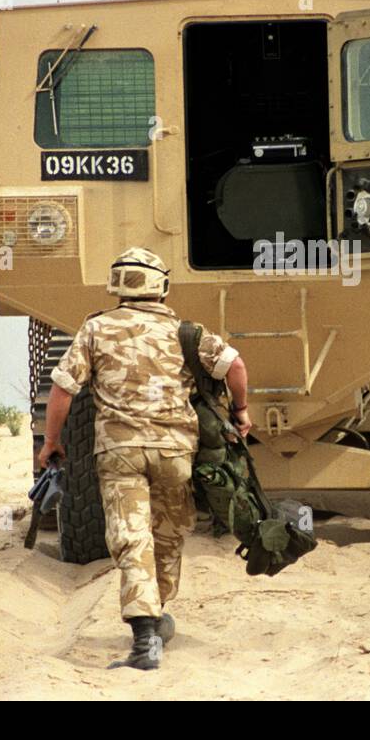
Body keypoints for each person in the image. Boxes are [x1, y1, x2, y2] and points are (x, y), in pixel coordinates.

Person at [37, 247, 250, 671]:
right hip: (175, 452)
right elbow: (235, 366)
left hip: (120, 453)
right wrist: (241, 412)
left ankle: (146, 633)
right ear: (161, 286)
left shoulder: (95, 329)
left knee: (132, 538)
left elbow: (62, 389)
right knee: (169, 536)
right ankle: (155, 617)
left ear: (117, 285)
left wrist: (51, 443)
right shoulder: (188, 333)